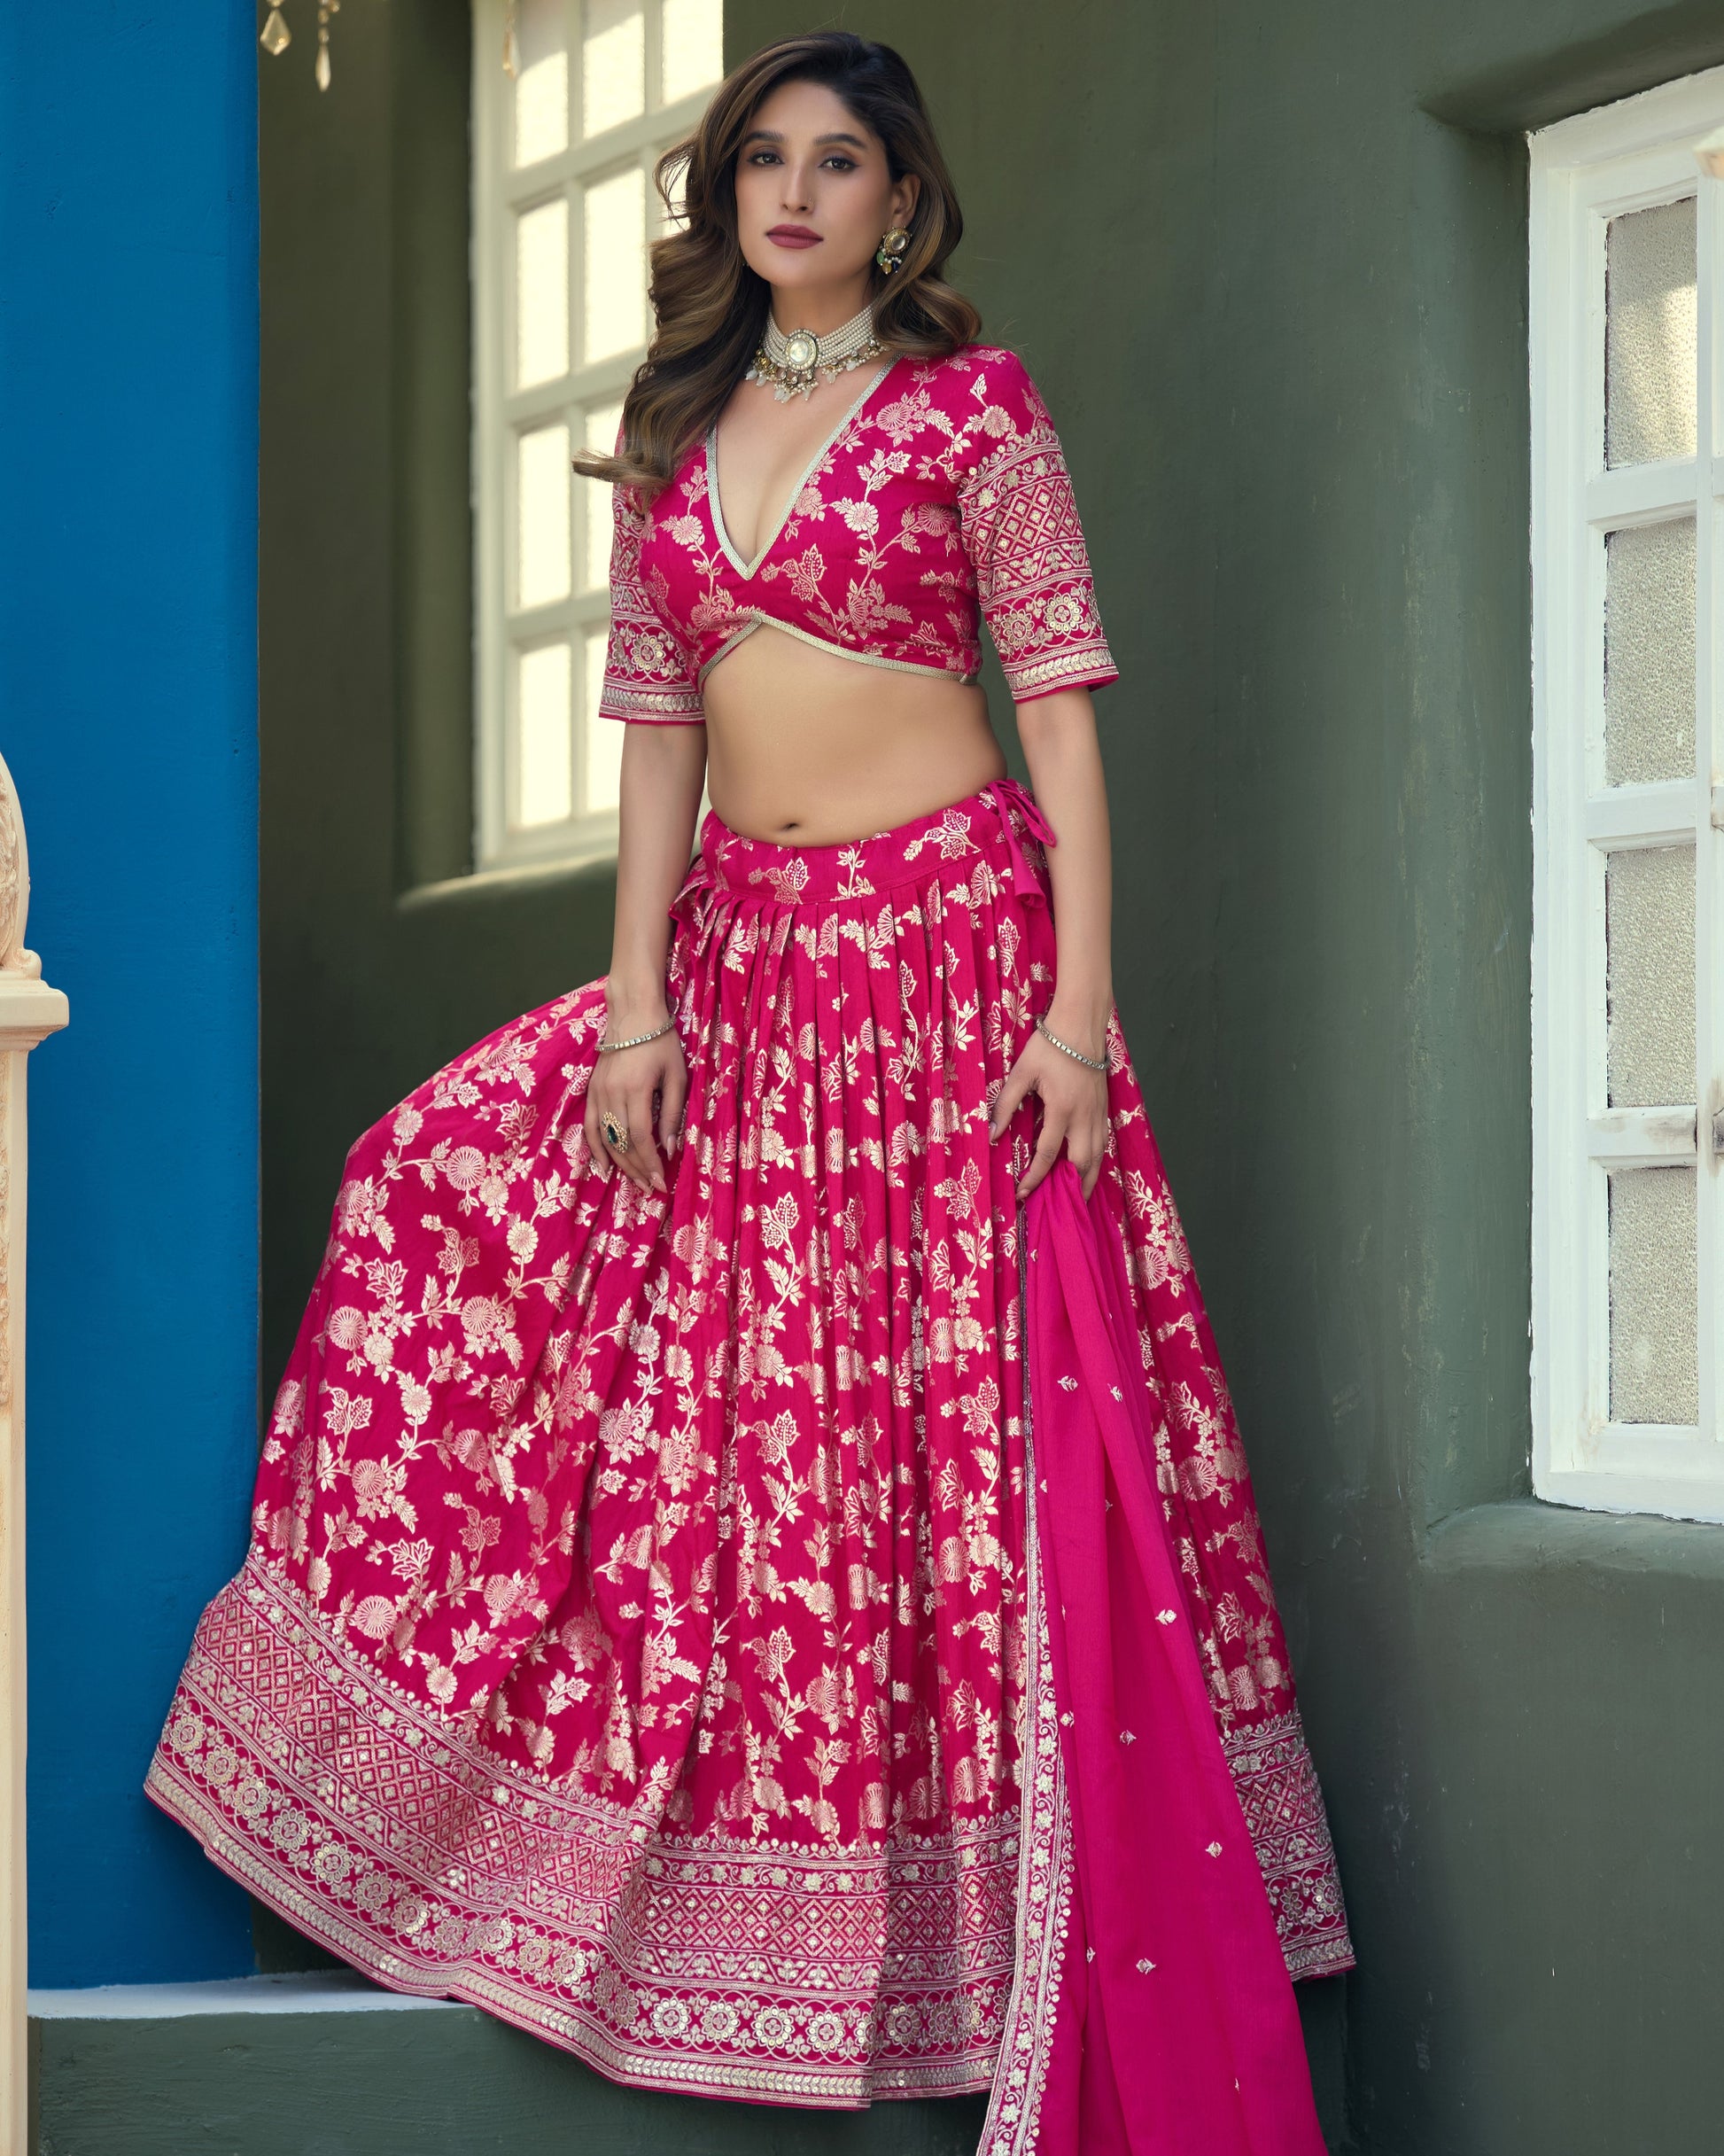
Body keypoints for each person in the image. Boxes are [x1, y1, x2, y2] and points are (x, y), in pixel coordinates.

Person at [149, 30, 1352, 2150]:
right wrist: (634, 1002)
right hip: (743, 970)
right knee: (457, 1209)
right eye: (763, 160)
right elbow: (655, 741)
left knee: (925, 1438)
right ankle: (490, 1830)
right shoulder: (675, 425)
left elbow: (1057, 722)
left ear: (902, 199)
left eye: (840, 163)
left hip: (950, 968)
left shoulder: (977, 415)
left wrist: (1076, 1013)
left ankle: (965, 1948)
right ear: (728, 199)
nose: (795, 193)